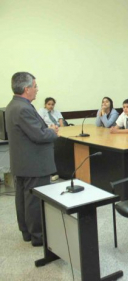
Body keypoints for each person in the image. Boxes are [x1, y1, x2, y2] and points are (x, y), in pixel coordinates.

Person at [6, 72, 59, 246]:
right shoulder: (24, 108)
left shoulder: (13, 105)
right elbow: (39, 135)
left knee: (23, 199)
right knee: (34, 201)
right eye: (35, 86)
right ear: (27, 89)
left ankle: (27, 232)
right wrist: (52, 131)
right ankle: (38, 236)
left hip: (22, 163)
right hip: (34, 164)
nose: (37, 90)